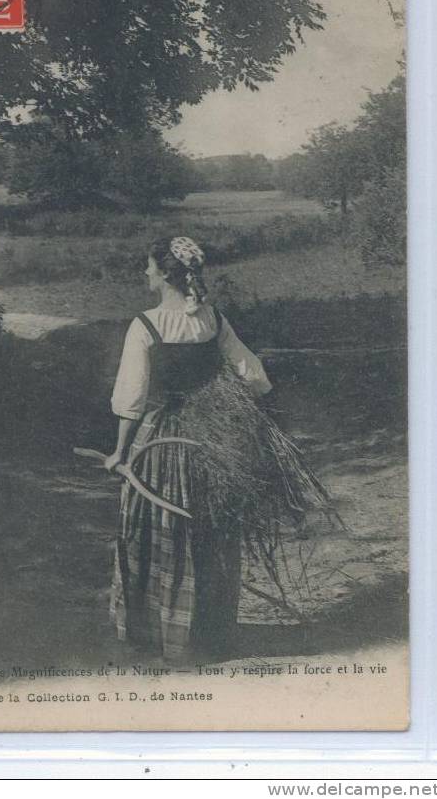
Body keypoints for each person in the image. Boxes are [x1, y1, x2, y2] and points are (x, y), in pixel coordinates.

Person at [106, 236, 332, 663]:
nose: (145, 273)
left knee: (162, 526)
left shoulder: (146, 325)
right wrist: (249, 420)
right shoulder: (211, 319)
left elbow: (131, 397)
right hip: (213, 443)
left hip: (162, 442)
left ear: (164, 274)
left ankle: (163, 632)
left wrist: (118, 453)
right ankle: (212, 631)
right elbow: (252, 374)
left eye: (150, 267)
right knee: (211, 530)